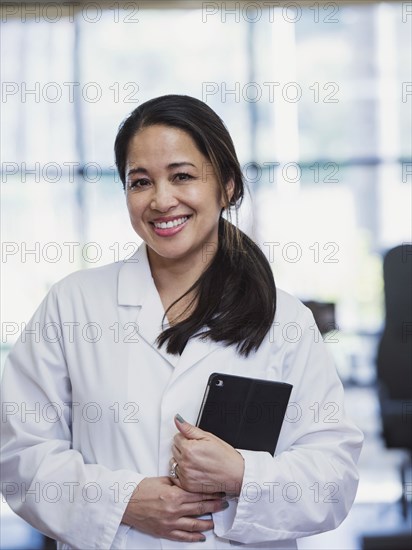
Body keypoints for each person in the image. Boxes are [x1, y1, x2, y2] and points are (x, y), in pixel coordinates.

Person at [1, 95, 363, 549]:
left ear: (227, 185)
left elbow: (334, 479)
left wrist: (241, 475)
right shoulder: (72, 305)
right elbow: (19, 453)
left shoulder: (284, 319)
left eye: (182, 176)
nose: (161, 200)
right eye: (140, 182)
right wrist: (123, 501)